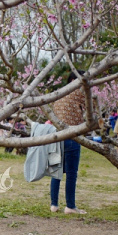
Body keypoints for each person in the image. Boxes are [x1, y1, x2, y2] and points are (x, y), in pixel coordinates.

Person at [50, 85, 86, 214]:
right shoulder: (79, 92)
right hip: (72, 134)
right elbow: (91, 110)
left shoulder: (59, 92)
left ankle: (54, 204)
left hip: (56, 135)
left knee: (56, 171)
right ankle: (70, 206)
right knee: (71, 173)